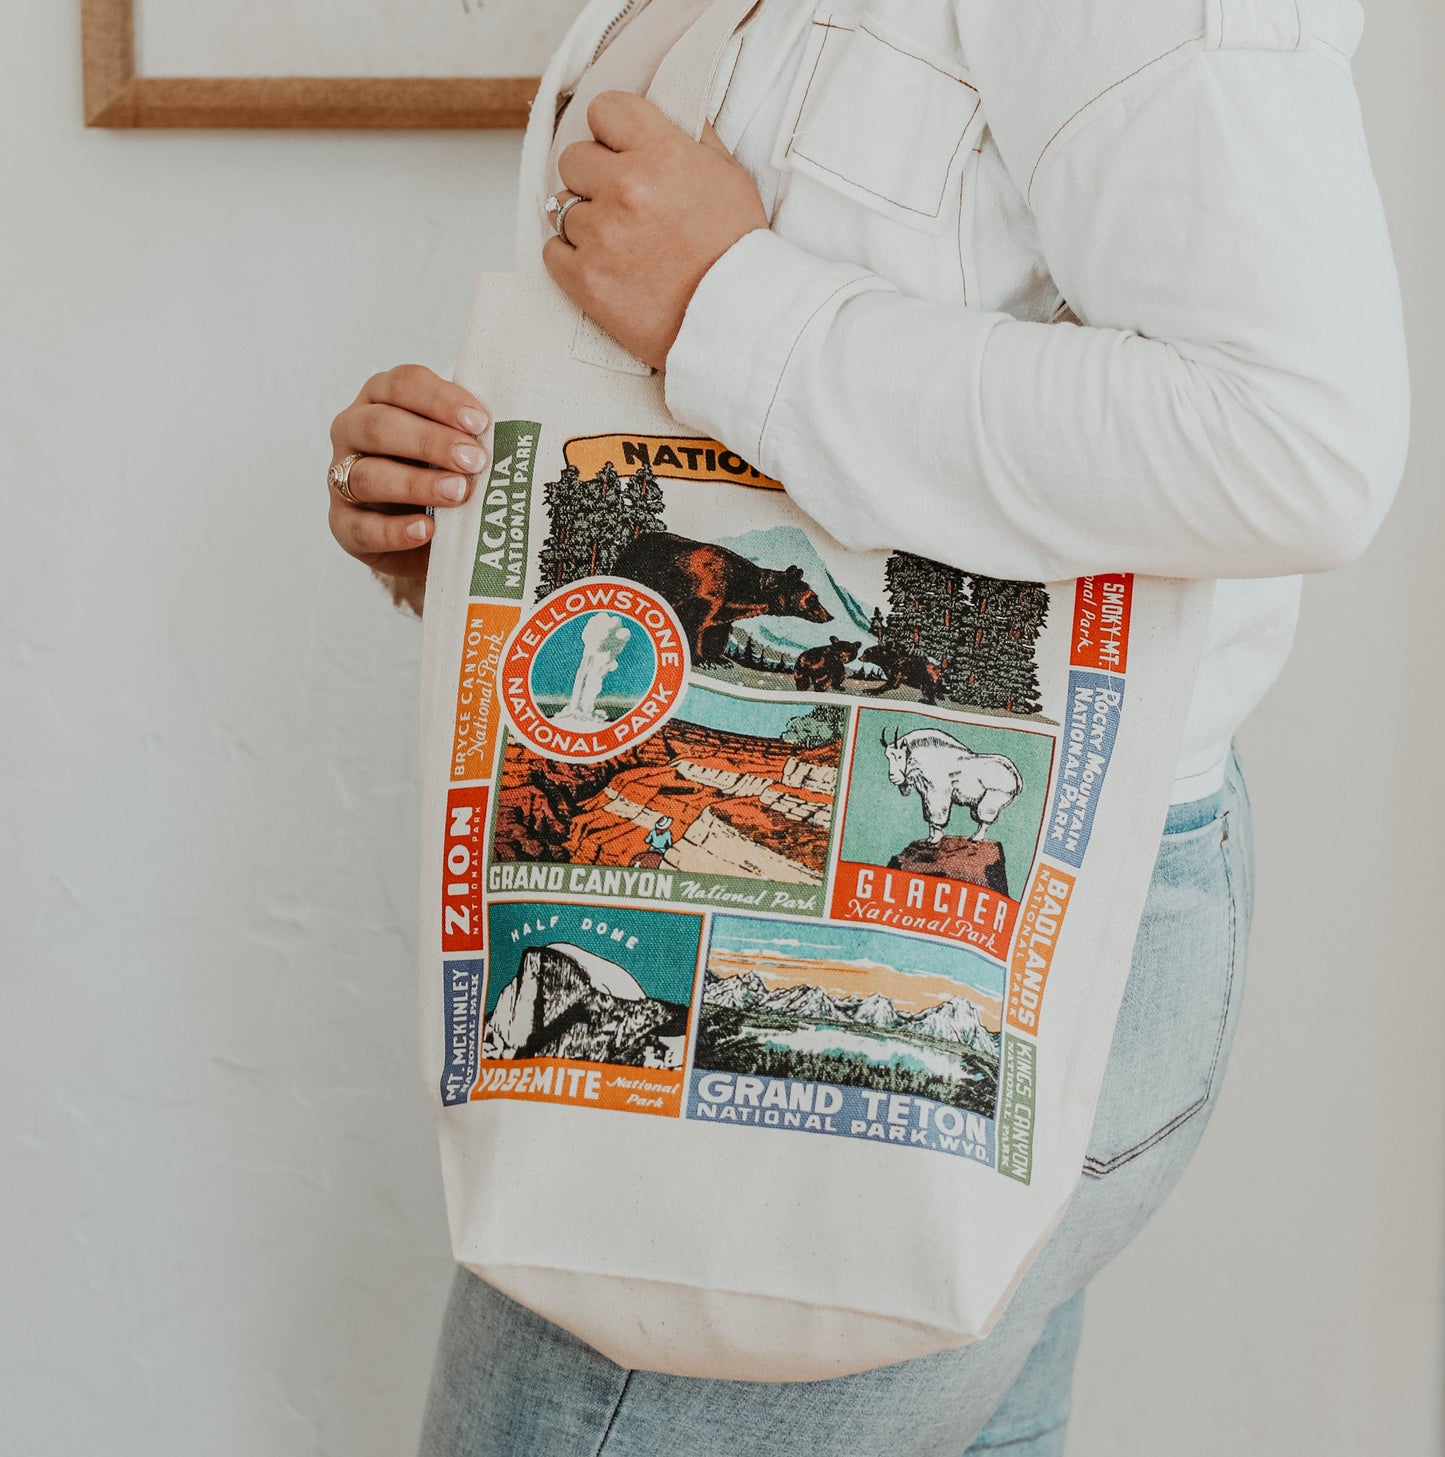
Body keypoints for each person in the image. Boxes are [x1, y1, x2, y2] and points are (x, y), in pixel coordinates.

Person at [327, 1, 1409, 1451]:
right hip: (815, 898)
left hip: (954, 922)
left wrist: (731, 301)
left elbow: (1294, 444)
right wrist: (475, 544)